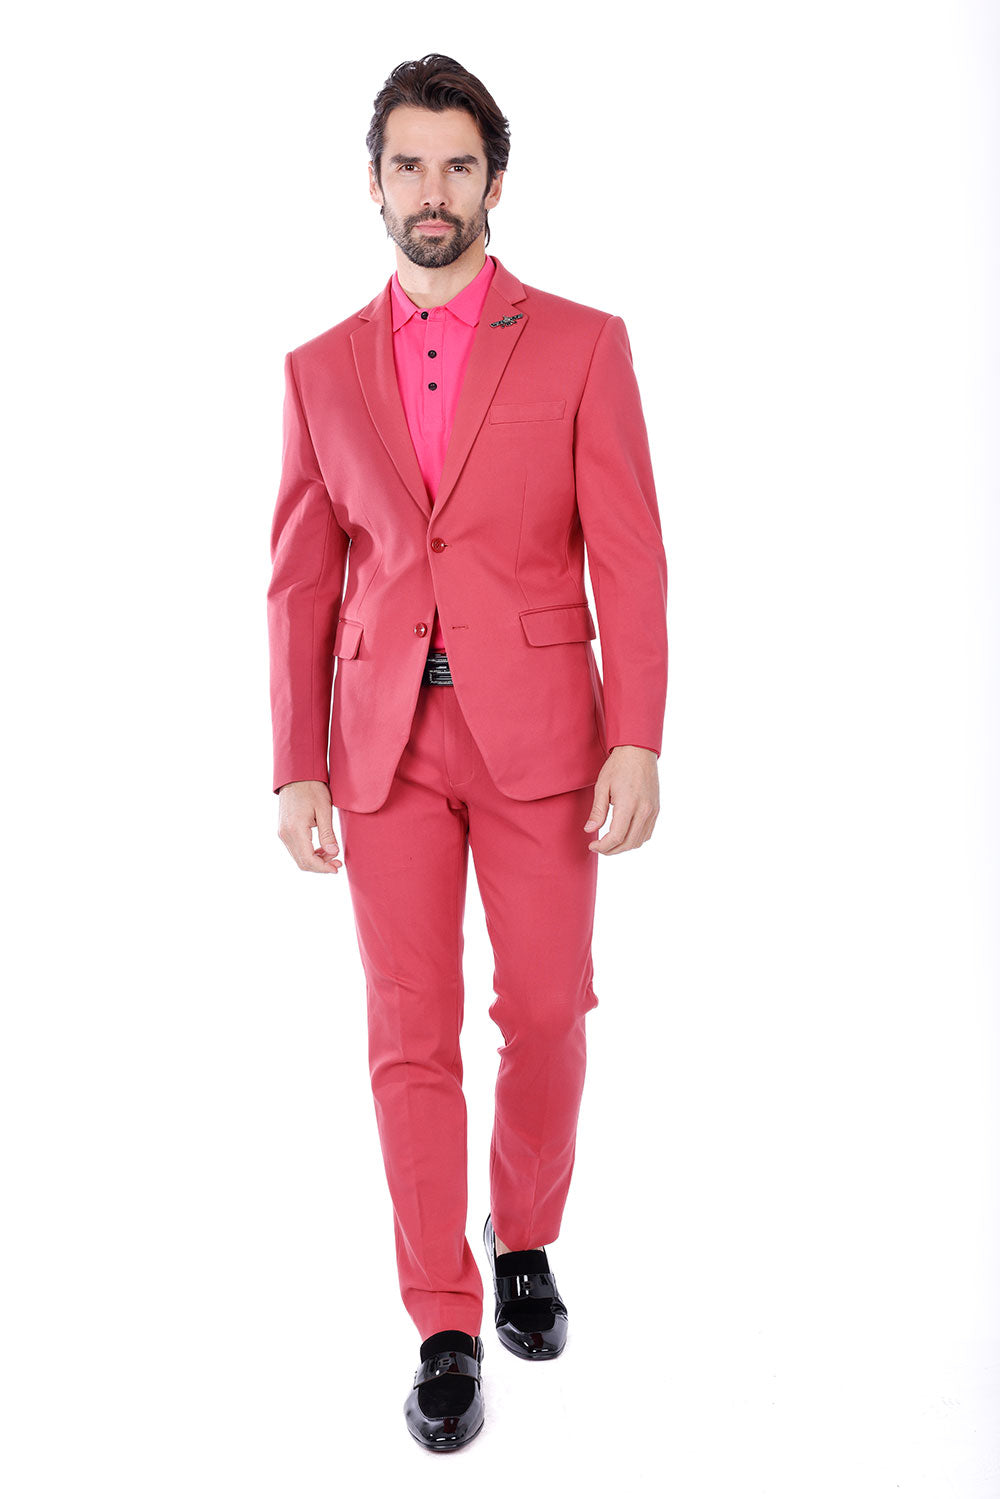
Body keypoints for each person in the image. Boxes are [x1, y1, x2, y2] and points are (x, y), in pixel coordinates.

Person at [266, 53, 668, 1452]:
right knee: (408, 1032)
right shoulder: (318, 370)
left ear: (495, 179)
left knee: (548, 1010)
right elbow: (300, 581)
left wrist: (639, 738)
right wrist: (296, 762)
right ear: (373, 183)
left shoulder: (583, 345)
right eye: (408, 165)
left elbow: (632, 557)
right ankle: (442, 1317)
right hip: (383, 746)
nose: (431, 191)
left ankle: (524, 1233)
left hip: (545, 739)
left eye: (456, 164)